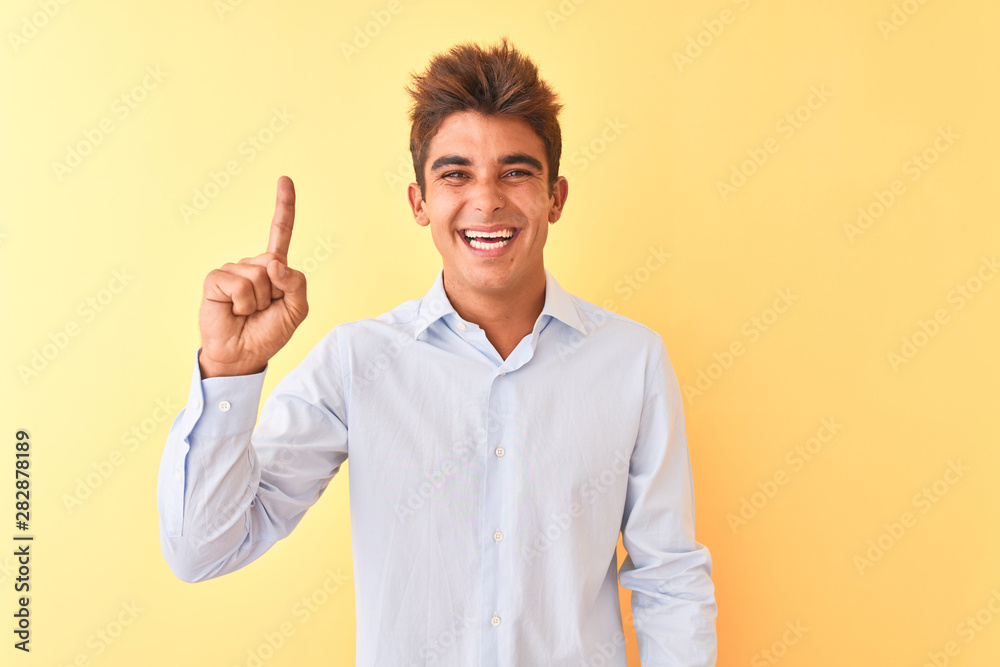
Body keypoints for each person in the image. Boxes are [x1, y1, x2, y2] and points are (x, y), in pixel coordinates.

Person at [157, 38, 717, 666]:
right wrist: (229, 374)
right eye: (456, 174)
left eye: (516, 170)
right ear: (419, 202)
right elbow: (203, 549)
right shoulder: (356, 362)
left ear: (555, 197)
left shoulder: (632, 361)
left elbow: (669, 578)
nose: (487, 199)